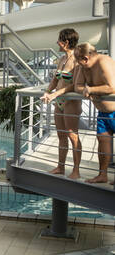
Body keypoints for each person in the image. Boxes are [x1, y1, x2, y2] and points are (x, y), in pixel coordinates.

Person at [41, 28, 82, 179]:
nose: (56, 42)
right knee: (61, 136)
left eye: (59, 39)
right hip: (58, 102)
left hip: (71, 102)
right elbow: (55, 80)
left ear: (65, 42)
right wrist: (47, 91)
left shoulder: (77, 60)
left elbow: (75, 85)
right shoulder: (61, 59)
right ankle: (60, 167)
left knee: (73, 136)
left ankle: (76, 170)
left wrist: (56, 94)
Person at [74, 42, 115, 184]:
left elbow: (112, 87)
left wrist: (91, 90)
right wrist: (85, 90)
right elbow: (77, 86)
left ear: (85, 58)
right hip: (102, 113)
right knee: (103, 141)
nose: (77, 63)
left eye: (78, 60)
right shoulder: (84, 67)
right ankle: (102, 175)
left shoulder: (104, 62)